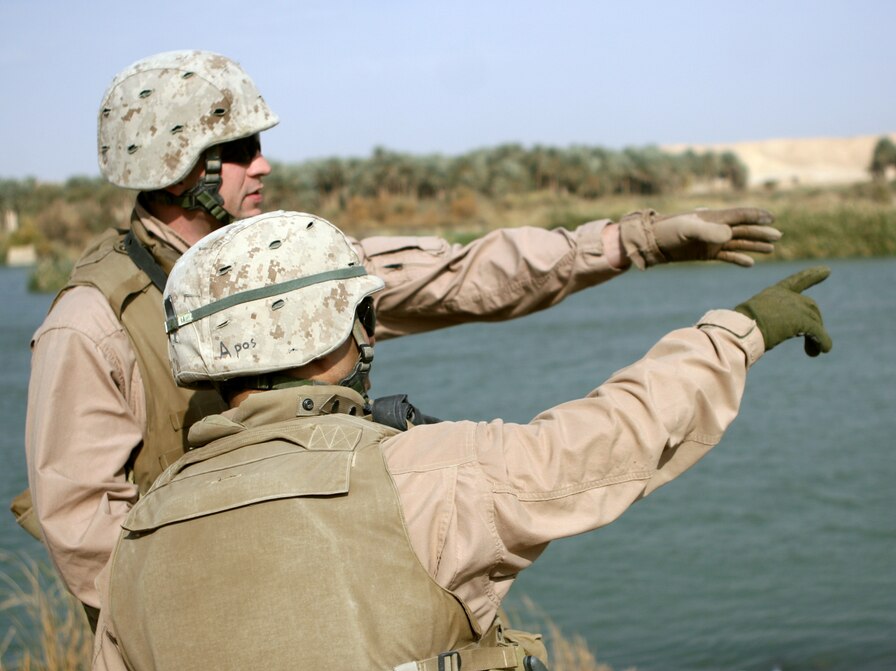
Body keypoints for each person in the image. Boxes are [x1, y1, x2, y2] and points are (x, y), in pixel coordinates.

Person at [21, 49, 783, 628]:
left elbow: (465, 275)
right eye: (242, 150)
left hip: (332, 607)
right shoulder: (93, 324)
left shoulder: (292, 264)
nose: (265, 165)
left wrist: (636, 241)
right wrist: (231, 633)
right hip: (216, 640)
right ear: (178, 168)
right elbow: (91, 538)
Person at [87, 210, 832, 671]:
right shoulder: (421, 476)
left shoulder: (138, 537)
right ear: (336, 337)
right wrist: (738, 332)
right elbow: (609, 437)